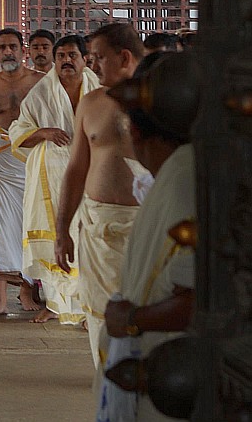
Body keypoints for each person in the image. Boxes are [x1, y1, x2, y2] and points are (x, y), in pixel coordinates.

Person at [97, 52, 198, 421]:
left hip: (175, 371)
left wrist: (135, 318)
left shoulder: (184, 184)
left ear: (135, 131)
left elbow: (200, 298)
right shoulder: (182, 172)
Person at [55, 23, 144, 365]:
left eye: (99, 58)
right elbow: (76, 170)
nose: (92, 66)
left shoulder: (161, 101)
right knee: (102, 313)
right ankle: (109, 378)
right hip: (97, 225)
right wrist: (62, 230)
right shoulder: (91, 104)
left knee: (145, 308)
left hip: (146, 225)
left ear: (124, 58)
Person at [9, 34, 99, 325]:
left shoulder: (98, 90)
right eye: (61, 56)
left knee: (86, 238)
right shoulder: (42, 92)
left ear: (85, 59)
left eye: (72, 55)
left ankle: (88, 307)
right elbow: (18, 133)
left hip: (90, 173)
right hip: (49, 172)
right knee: (53, 238)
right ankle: (58, 305)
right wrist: (45, 133)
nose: (66, 61)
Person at [0, 27, 44, 316]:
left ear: (22, 49)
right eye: (2, 47)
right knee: (1, 229)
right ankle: (0, 299)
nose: (8, 52)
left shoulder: (40, 82)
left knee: (32, 225)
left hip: (32, 161)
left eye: (13, 46)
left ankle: (27, 291)